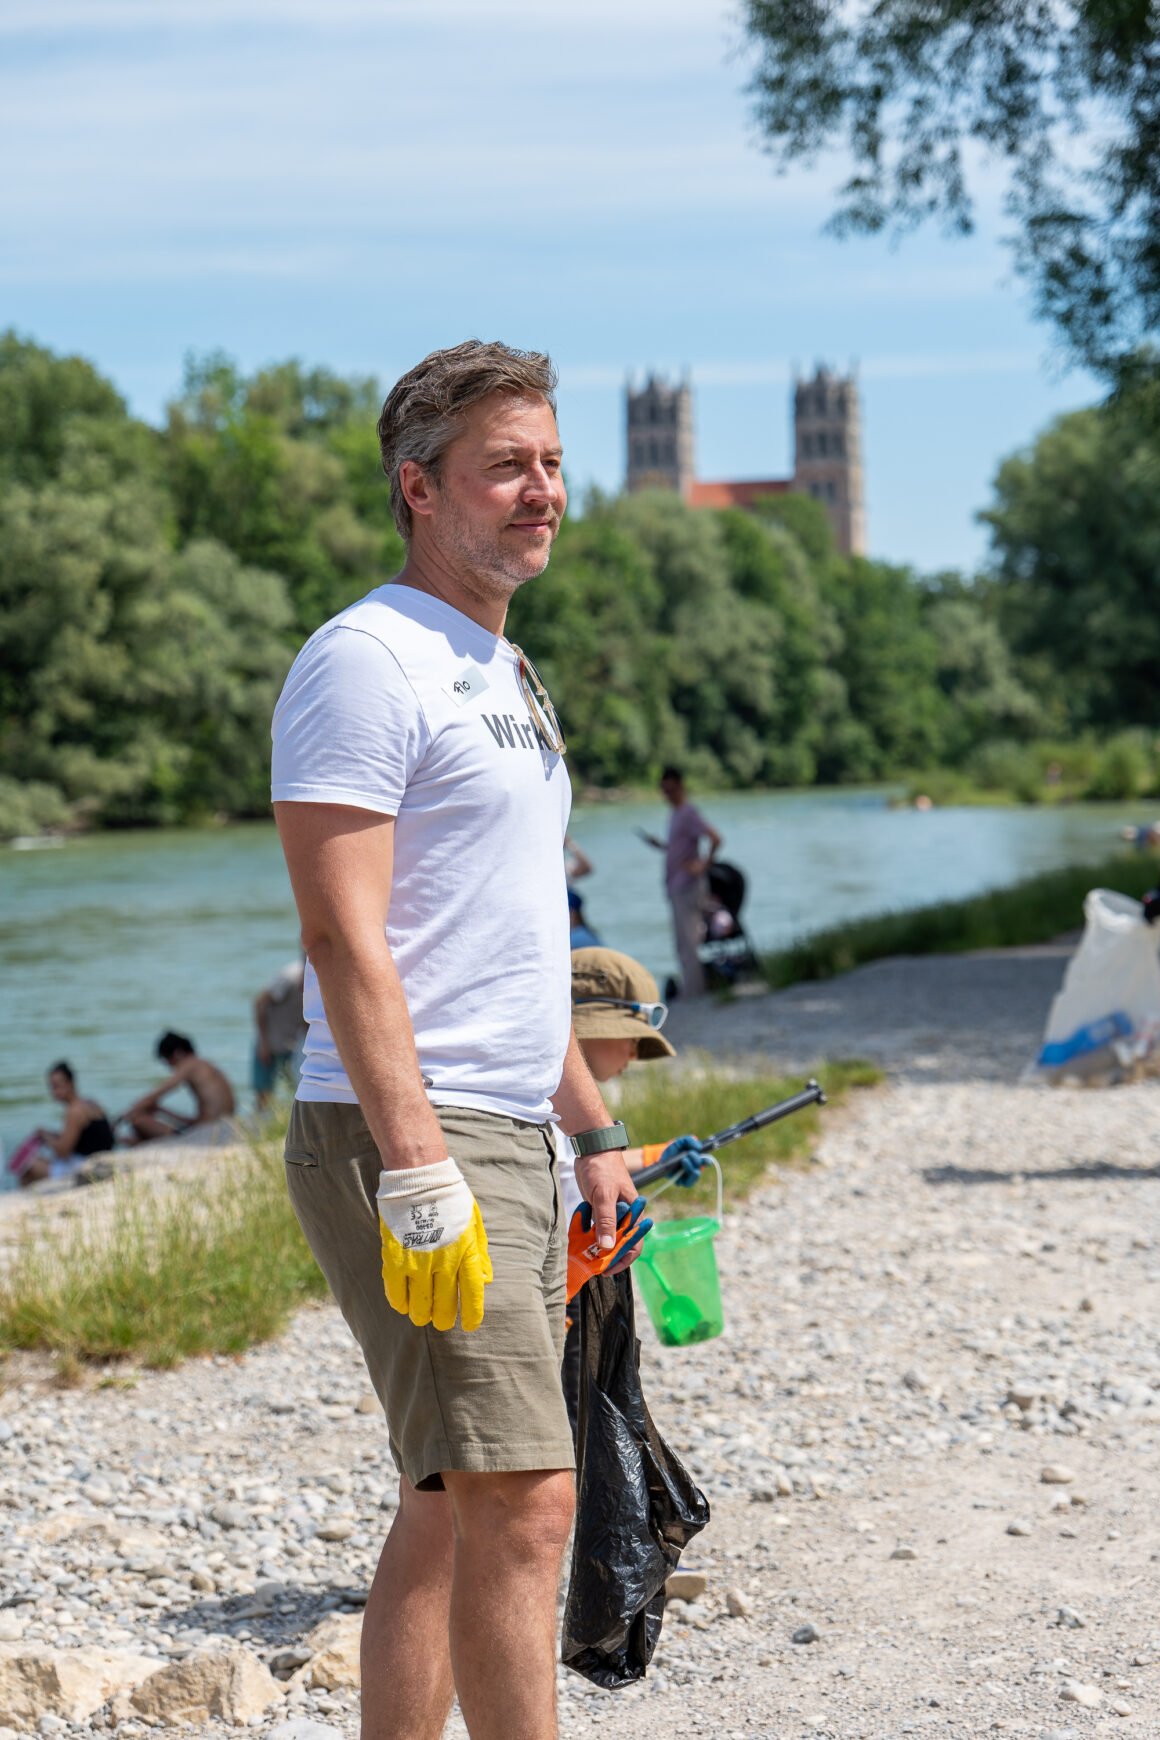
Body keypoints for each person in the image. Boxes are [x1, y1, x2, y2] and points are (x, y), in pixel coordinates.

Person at [269, 339, 641, 1740]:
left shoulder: (503, 664)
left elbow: (516, 937)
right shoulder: (365, 661)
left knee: (449, 1495)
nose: (541, 491)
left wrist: (592, 1129)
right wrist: (419, 1167)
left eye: (550, 462)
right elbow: (341, 935)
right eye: (507, 466)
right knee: (523, 1499)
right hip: (407, 1133)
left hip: (512, 1129)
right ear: (420, 487)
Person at [557, 947, 707, 1431]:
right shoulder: (533, 1098)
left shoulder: (562, 1102)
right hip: (554, 1297)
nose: (635, 1056)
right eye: (631, 1040)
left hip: (579, 1284)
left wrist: (657, 1158)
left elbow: (573, 1168)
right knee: (565, 1432)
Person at [640, 765, 722, 998]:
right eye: (664, 790)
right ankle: (693, 990)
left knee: (688, 944)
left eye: (671, 789)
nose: (667, 795)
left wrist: (703, 864)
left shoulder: (687, 812)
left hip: (688, 887)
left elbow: (715, 838)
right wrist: (662, 846)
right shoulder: (676, 813)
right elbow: (680, 848)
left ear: (681, 787)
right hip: (676, 886)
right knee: (682, 944)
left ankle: (694, 995)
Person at [11, 1062, 115, 1187]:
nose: (54, 1092)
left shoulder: (74, 1111)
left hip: (85, 1166)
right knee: (40, 1162)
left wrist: (45, 1136)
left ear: (70, 1083)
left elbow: (63, 1151)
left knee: (29, 1166)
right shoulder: (90, 1103)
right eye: (52, 1087)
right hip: (101, 1160)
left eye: (57, 1086)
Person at [121, 1033, 236, 1144]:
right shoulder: (203, 1065)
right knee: (138, 1133)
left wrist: (121, 1118)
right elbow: (202, 1118)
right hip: (217, 1125)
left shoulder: (189, 1065)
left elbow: (155, 1095)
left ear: (177, 1054)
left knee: (138, 1120)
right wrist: (162, 1110)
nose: (170, 1068)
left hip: (209, 1129)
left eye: (168, 1062)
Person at [252, 957, 307, 1109]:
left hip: (293, 1045)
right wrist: (264, 1043)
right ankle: (261, 1126)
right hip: (270, 1042)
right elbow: (259, 1003)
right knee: (263, 1092)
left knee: (297, 1090)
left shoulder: (316, 977)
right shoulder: (289, 977)